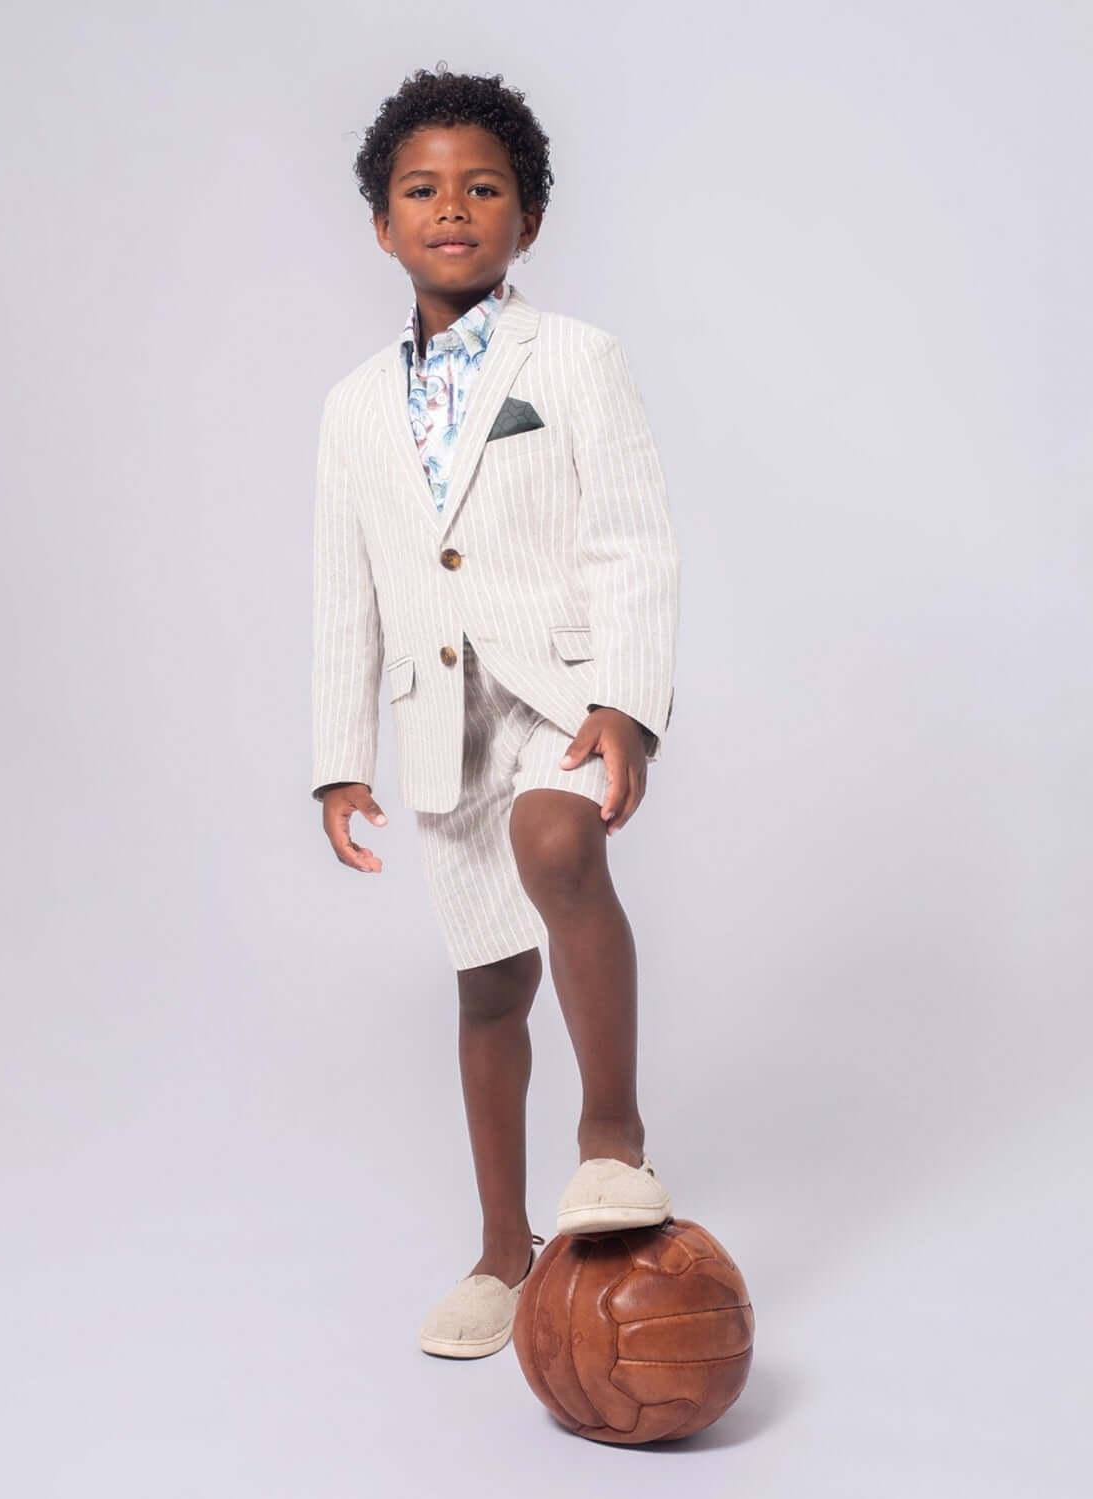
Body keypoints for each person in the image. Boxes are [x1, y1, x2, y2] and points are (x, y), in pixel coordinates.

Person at [310, 66, 681, 1359]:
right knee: (487, 987)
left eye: (484, 187)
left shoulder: (574, 360)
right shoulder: (352, 407)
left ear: (531, 217)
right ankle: (500, 1250)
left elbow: (632, 539)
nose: (453, 208)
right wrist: (337, 760)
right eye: (422, 190)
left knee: (557, 841)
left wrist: (628, 703)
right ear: (382, 224)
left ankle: (613, 1139)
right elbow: (344, 590)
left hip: (566, 693)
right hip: (441, 720)